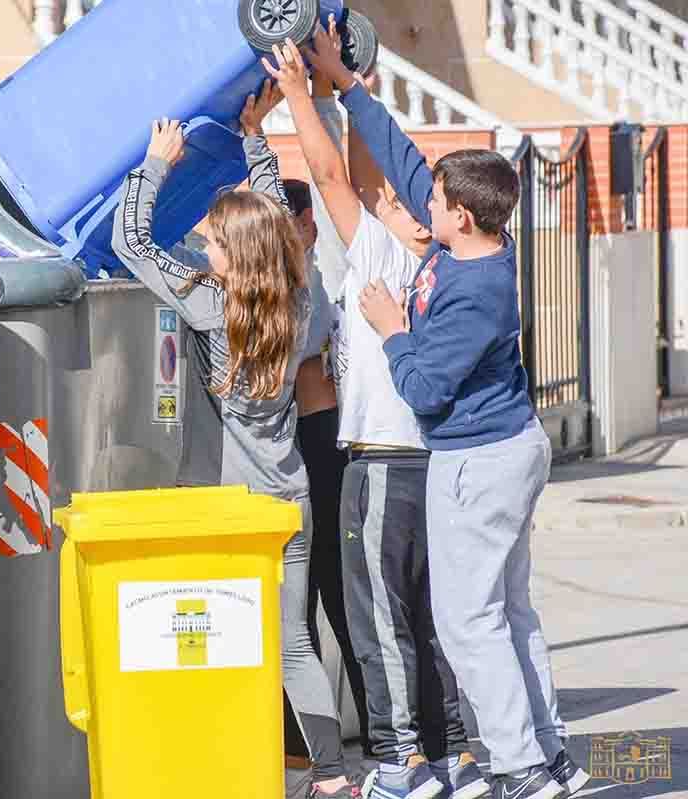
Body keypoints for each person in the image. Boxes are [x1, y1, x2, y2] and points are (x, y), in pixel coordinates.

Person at [287, 23, 591, 799]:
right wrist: (345, 86)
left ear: (455, 217)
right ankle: (546, 754)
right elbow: (390, 162)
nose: (411, 194)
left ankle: (518, 766)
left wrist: (391, 330)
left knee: (466, 621)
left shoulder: (468, 288)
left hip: (476, 460)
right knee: (504, 610)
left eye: (432, 197)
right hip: (485, 454)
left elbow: (423, 388)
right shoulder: (452, 249)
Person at [111, 82, 357, 799]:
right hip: (291, 500)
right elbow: (277, 221)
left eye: (212, 240)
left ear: (229, 256)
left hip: (233, 511)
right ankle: (334, 776)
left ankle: (235, 765)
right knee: (294, 644)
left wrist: (155, 162)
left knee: (222, 640)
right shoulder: (295, 294)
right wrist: (256, 135)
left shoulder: (208, 306)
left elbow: (132, 241)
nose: (203, 244)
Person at [265, 25, 487, 799]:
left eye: (400, 197)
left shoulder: (389, 254)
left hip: (385, 462)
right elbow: (362, 176)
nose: (385, 197)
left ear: (421, 217)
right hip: (429, 460)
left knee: (378, 620)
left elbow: (332, 180)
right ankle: (452, 751)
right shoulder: (443, 261)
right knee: (429, 616)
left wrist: (300, 92)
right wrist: (341, 88)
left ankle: (404, 764)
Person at [284, 76, 370, 759]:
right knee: (303, 595)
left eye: (285, 223)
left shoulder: (313, 272)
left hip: (324, 444)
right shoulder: (290, 276)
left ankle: (375, 717)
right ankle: (309, 731)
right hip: (300, 442)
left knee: (335, 590)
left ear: (306, 224)